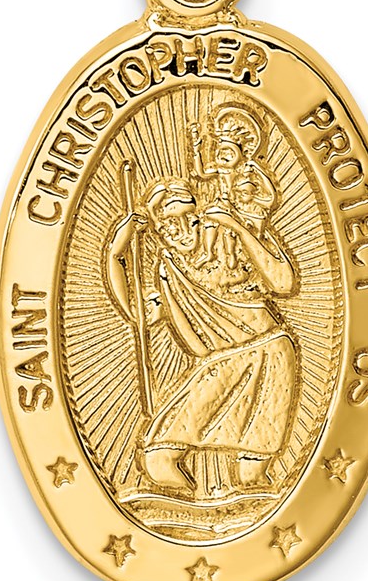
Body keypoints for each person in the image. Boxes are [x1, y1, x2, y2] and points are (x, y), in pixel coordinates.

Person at [105, 177, 297, 494]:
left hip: (268, 353)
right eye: (167, 224)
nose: (179, 229)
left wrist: (238, 226)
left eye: (186, 218)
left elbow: (284, 283)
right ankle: (191, 511)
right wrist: (117, 250)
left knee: (250, 474)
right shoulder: (169, 268)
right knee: (157, 460)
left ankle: (239, 513)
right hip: (221, 364)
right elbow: (140, 318)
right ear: (159, 230)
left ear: (198, 216)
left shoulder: (230, 238)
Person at [190, 105, 278, 269]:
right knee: (210, 220)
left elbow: (270, 197)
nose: (223, 156)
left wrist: (258, 172)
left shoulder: (246, 171)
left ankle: (233, 256)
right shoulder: (219, 169)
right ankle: (208, 253)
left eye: (229, 152)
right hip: (222, 203)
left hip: (240, 207)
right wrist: (196, 151)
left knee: (230, 230)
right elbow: (201, 173)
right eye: (220, 151)